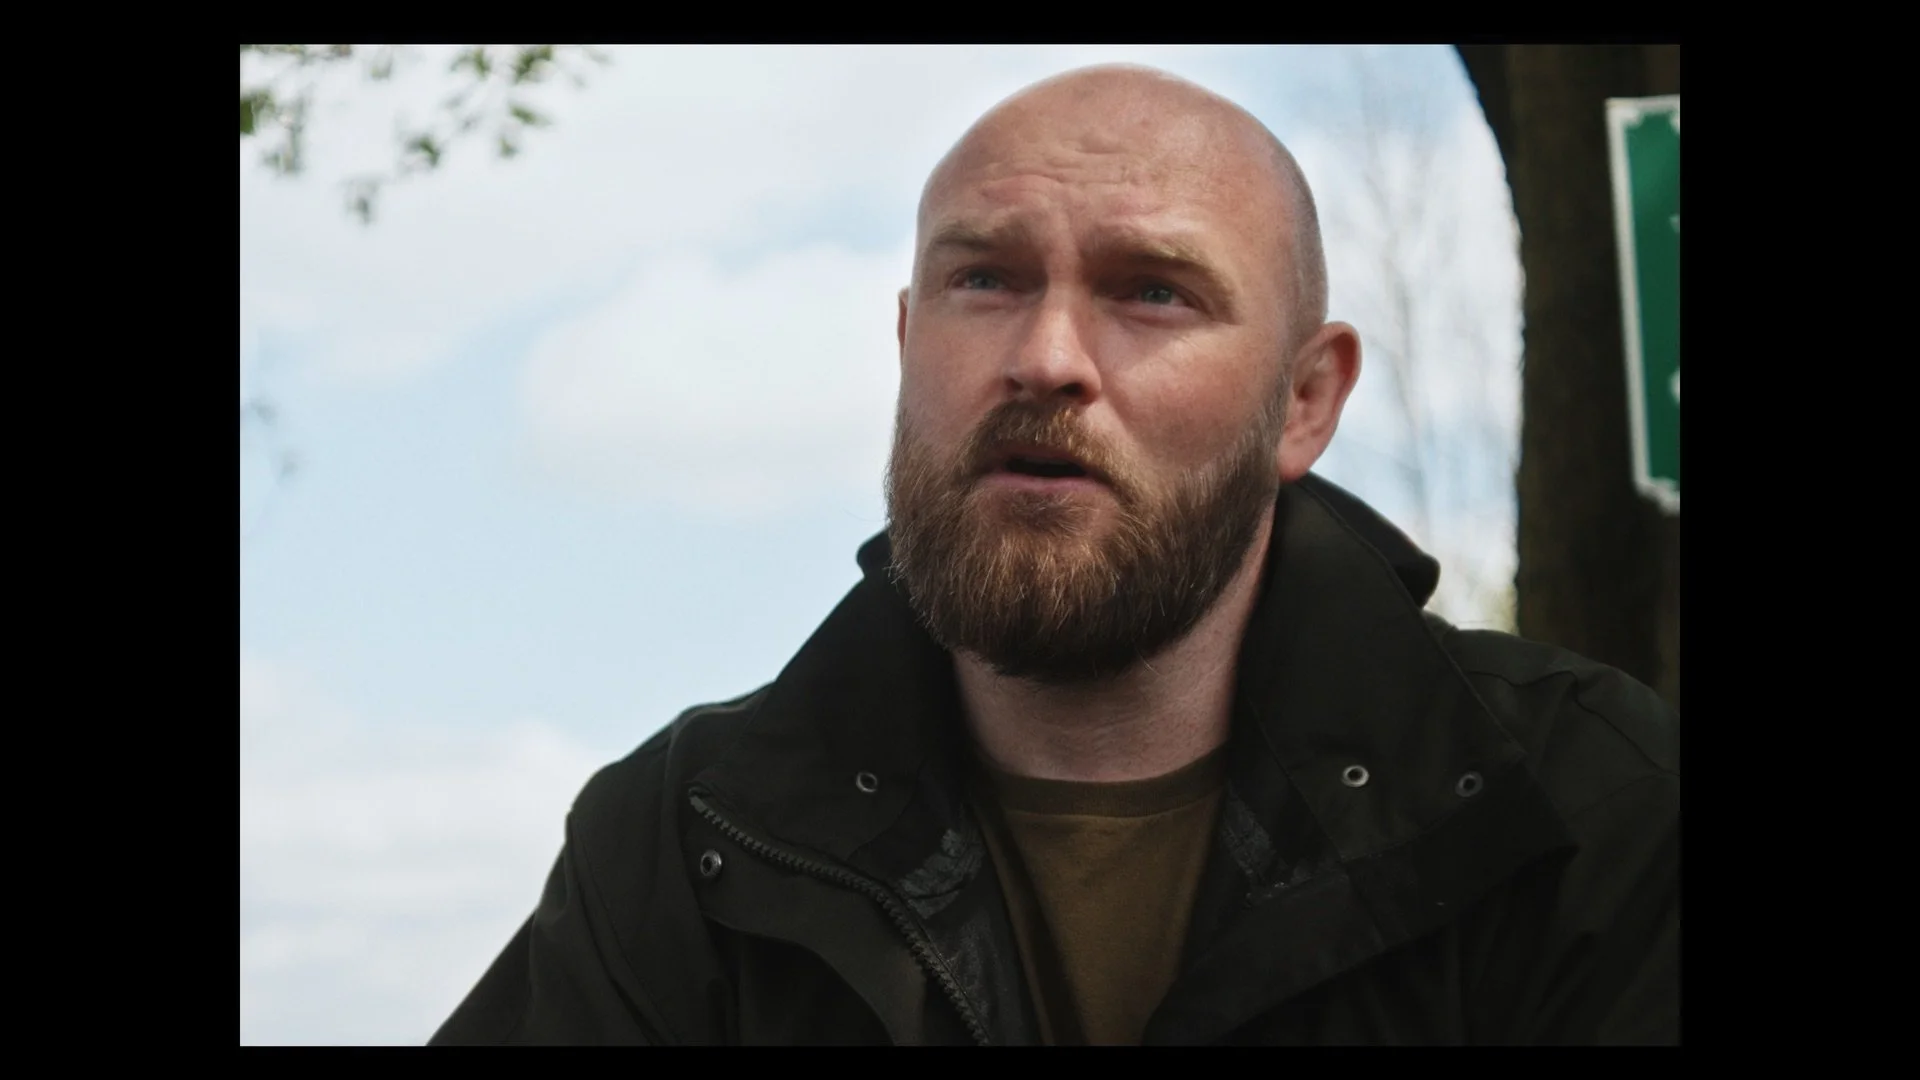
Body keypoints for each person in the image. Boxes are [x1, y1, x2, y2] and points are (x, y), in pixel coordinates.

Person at [429, 64, 1679, 1046]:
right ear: (908, 341)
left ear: (1304, 401)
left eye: (1153, 293)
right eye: (986, 278)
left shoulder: (1584, 811)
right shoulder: (687, 845)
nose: (1047, 357)